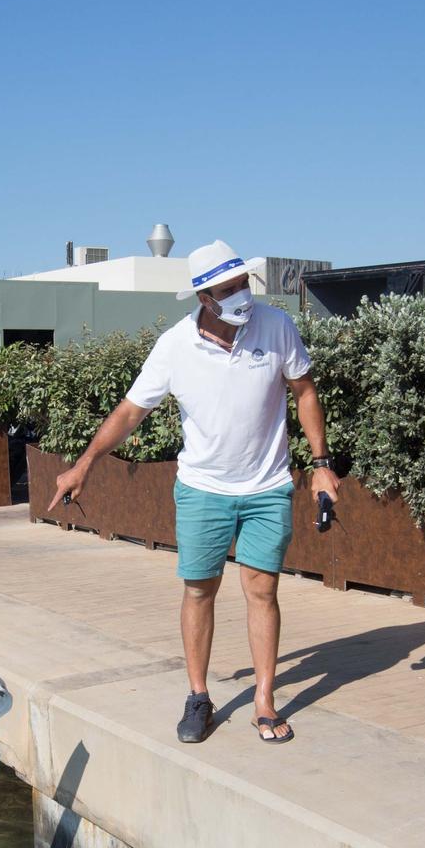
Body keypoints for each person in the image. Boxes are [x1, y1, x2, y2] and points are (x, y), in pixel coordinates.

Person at [47, 241, 338, 745]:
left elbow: (305, 391)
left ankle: (264, 701)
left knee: (262, 591)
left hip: (268, 487)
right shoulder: (174, 345)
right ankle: (199, 697)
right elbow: (130, 412)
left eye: (244, 284)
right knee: (200, 590)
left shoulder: (276, 327)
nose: (242, 296)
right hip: (204, 490)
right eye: (228, 290)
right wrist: (84, 464)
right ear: (204, 297)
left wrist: (321, 465)